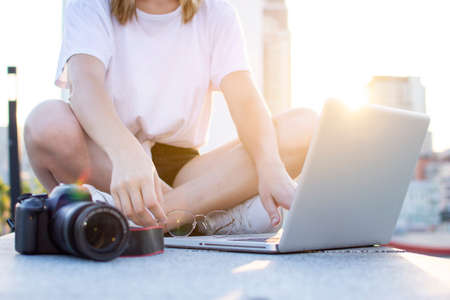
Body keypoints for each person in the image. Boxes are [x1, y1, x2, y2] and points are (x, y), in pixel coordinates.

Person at [24, 0, 317, 233]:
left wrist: (270, 165)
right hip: (108, 164)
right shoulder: (90, 6)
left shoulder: (217, 14)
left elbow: (245, 100)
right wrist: (127, 154)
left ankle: (144, 218)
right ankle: (204, 220)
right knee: (46, 123)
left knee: (304, 127)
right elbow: (85, 84)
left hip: (186, 174)